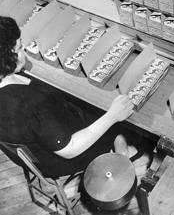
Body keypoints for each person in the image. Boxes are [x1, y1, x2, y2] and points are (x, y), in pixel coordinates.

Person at [0, 16, 137, 178]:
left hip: (35, 144)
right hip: (61, 159)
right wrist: (112, 116)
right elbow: (70, 149)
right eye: (19, 49)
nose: (23, 52)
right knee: (112, 116)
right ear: (7, 58)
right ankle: (122, 150)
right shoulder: (28, 106)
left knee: (86, 107)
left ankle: (116, 138)